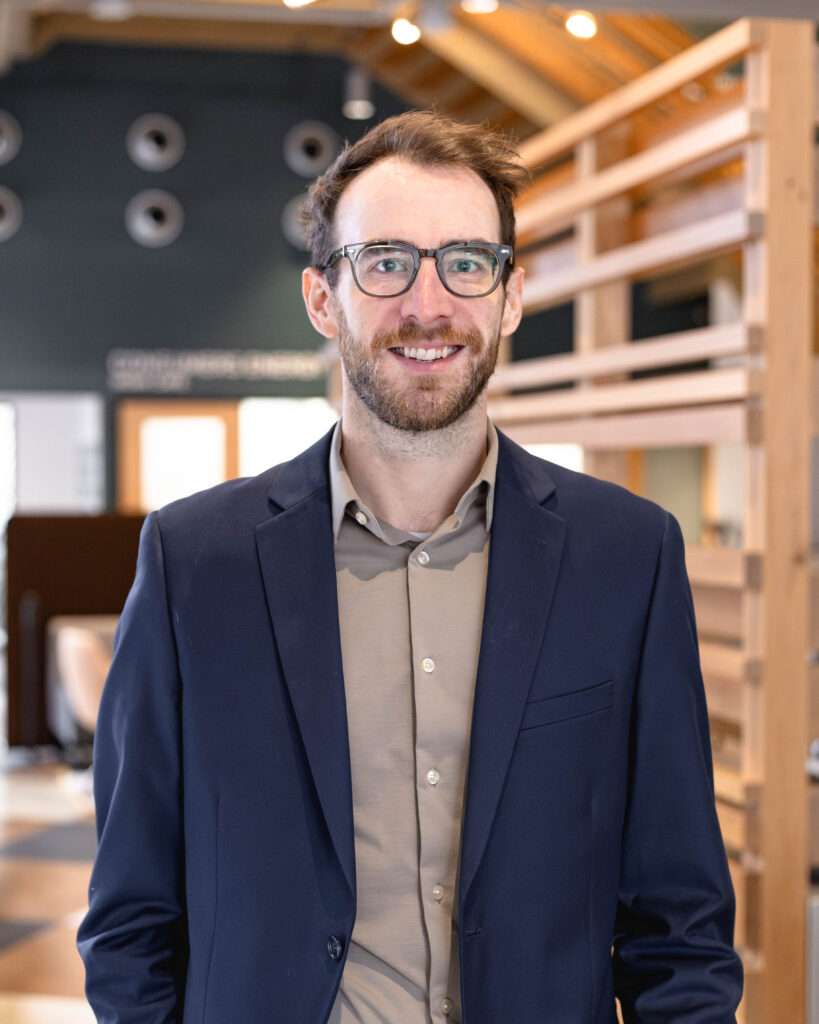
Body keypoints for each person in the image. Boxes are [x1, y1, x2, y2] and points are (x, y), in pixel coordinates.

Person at [77, 110, 743, 1023]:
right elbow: (130, 919)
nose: (427, 304)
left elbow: (680, 929)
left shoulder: (625, 556)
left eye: (465, 261)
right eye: (385, 261)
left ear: (508, 297)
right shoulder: (197, 562)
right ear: (323, 299)